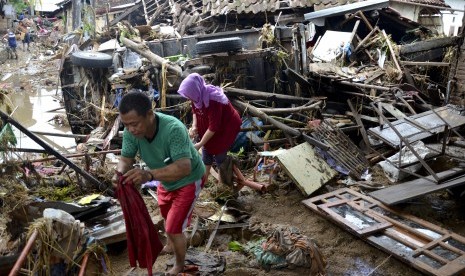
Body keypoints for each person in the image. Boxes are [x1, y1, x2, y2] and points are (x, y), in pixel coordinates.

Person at [116, 91, 205, 276]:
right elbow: (126, 159)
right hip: (165, 180)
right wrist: (119, 174)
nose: (131, 129)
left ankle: (180, 264)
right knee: (165, 213)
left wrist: (148, 175)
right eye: (126, 125)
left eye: (134, 124)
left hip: (189, 179)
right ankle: (171, 244)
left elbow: (184, 167)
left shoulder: (173, 128)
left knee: (173, 227)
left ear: (150, 114)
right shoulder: (131, 132)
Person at [177, 73, 241, 180]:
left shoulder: (213, 99)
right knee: (206, 154)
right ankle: (203, 180)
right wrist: (194, 126)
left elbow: (214, 127)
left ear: (195, 90)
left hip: (226, 126)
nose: (189, 98)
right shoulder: (196, 97)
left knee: (220, 155)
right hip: (212, 126)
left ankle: (223, 184)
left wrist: (200, 143)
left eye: (189, 95)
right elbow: (195, 112)